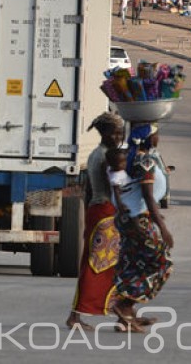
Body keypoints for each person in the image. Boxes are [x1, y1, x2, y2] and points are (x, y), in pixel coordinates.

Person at [66, 111, 126, 332]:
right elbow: (115, 186)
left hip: (97, 210)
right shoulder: (105, 157)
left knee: (101, 264)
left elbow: (89, 191)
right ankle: (80, 315)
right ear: (105, 133)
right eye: (115, 133)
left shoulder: (96, 154)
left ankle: (119, 314)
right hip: (105, 212)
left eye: (120, 132)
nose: (118, 136)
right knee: (100, 265)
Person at [111, 124, 173, 332]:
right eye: (156, 134)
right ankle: (125, 305)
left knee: (133, 263)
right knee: (162, 263)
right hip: (138, 221)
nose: (158, 138)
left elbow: (132, 192)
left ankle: (125, 320)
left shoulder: (128, 158)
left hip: (127, 219)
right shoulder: (144, 161)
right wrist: (163, 227)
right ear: (147, 138)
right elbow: (147, 194)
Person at [106, 147, 130, 216]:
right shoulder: (115, 178)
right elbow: (117, 193)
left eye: (125, 161)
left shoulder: (111, 169)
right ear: (112, 164)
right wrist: (120, 206)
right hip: (121, 199)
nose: (124, 164)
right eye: (121, 162)